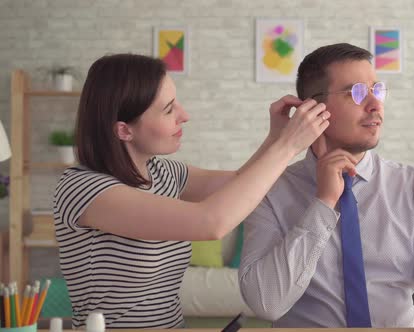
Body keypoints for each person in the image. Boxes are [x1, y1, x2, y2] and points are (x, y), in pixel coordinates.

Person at [52, 53, 330, 329]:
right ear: (124, 130)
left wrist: (276, 137)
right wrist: (289, 145)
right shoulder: (84, 189)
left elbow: (240, 182)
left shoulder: (163, 172)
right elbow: (210, 223)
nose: (184, 116)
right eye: (168, 109)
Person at [238, 43, 414, 332]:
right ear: (313, 109)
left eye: (377, 90)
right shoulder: (271, 191)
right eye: (356, 92)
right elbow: (265, 302)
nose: (375, 105)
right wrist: (323, 204)